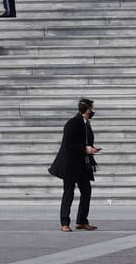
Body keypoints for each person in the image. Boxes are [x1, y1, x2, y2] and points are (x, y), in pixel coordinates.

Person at [49, 98, 100, 232]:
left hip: (83, 164)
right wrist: (85, 148)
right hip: (70, 164)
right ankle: (64, 222)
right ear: (87, 110)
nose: (93, 111)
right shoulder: (72, 123)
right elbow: (68, 144)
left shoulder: (86, 123)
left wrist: (91, 148)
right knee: (69, 193)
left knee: (86, 191)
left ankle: (81, 221)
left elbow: (86, 141)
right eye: (92, 108)